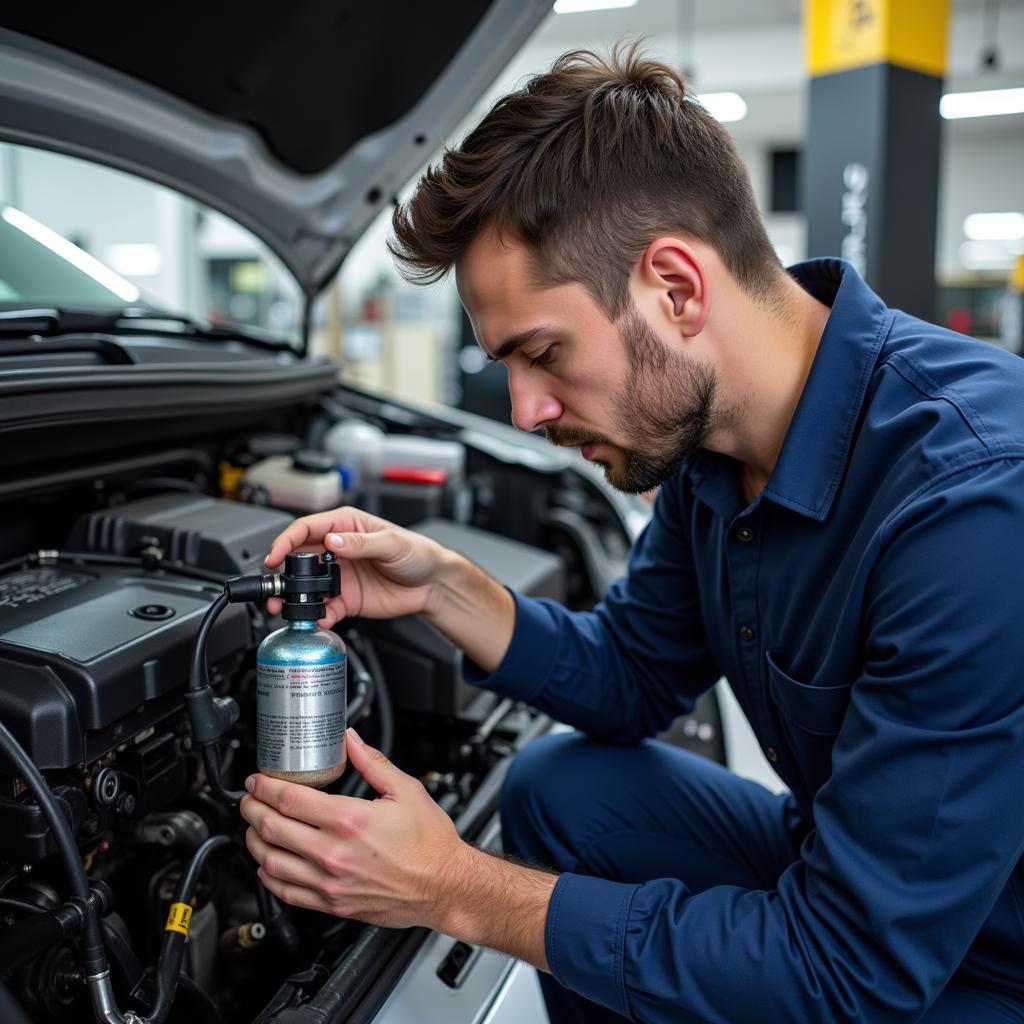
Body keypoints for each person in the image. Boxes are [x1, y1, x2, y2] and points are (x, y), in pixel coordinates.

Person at [239, 45, 1024, 1023]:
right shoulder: (708, 449)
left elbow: (847, 972)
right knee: (564, 788)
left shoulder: (970, 504)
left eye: (542, 353)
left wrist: (456, 888)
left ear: (676, 288)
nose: (523, 411)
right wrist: (443, 584)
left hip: (978, 963)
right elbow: (632, 677)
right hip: (851, 876)